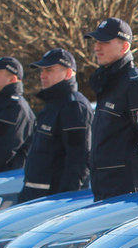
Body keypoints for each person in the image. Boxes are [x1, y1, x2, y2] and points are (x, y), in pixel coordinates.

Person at [86, 17, 138, 201]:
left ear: (124, 47)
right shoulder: (108, 84)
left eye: (105, 42)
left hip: (128, 192)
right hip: (105, 189)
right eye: (96, 42)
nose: (97, 47)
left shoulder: (135, 85)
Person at [18, 48, 93, 203]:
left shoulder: (74, 106)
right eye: (42, 71)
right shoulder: (52, 106)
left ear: (67, 73)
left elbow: (79, 159)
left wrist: (64, 200)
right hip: (35, 197)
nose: (42, 75)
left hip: (53, 201)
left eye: (49, 70)